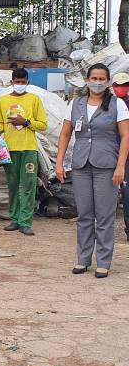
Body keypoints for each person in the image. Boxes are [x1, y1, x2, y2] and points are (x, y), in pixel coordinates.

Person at [56, 63, 129, 279]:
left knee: (104, 215)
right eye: (94, 78)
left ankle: (104, 262)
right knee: (85, 214)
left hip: (107, 166)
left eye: (101, 79)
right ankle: (83, 258)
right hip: (81, 166)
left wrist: (120, 166)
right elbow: (65, 134)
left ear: (107, 82)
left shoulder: (117, 105)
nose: (97, 83)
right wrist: (59, 162)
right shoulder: (76, 103)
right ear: (87, 80)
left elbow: (126, 136)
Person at [0, 68, 48, 236]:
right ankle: (15, 219)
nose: (19, 84)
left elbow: (43, 125)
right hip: (8, 149)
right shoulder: (2, 100)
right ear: (11, 82)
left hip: (28, 149)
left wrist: (25, 122)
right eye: (17, 82)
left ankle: (26, 222)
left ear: (28, 82)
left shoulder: (34, 99)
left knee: (28, 185)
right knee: (12, 185)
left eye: (22, 82)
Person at [113, 72, 129, 241]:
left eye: (124, 85)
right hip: (112, 153)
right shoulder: (109, 105)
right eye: (118, 85)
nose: (121, 89)